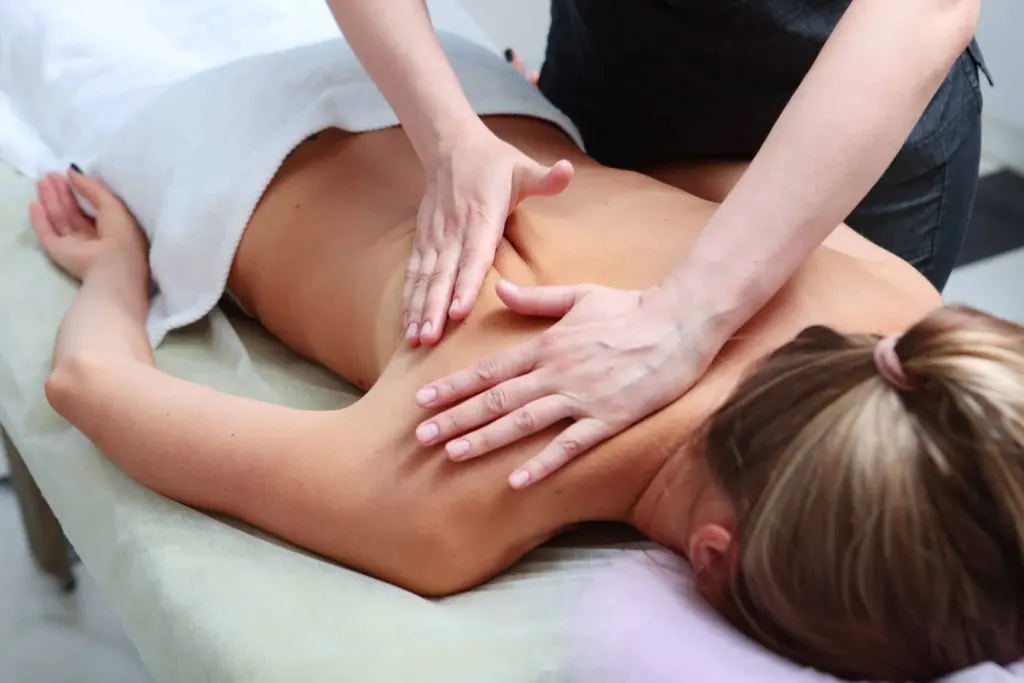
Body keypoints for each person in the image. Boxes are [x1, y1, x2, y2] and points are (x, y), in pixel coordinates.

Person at [32, 101, 1024, 679]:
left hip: (476, 100)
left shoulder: (893, 308)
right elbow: (90, 383)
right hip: (195, 132)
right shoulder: (451, 488)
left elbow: (716, 179)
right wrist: (121, 270)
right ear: (713, 561)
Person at [325, 0, 990, 487]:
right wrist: (447, 137)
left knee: (848, 464)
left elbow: (924, 10)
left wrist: (687, 317)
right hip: (614, 89)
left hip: (856, 131)